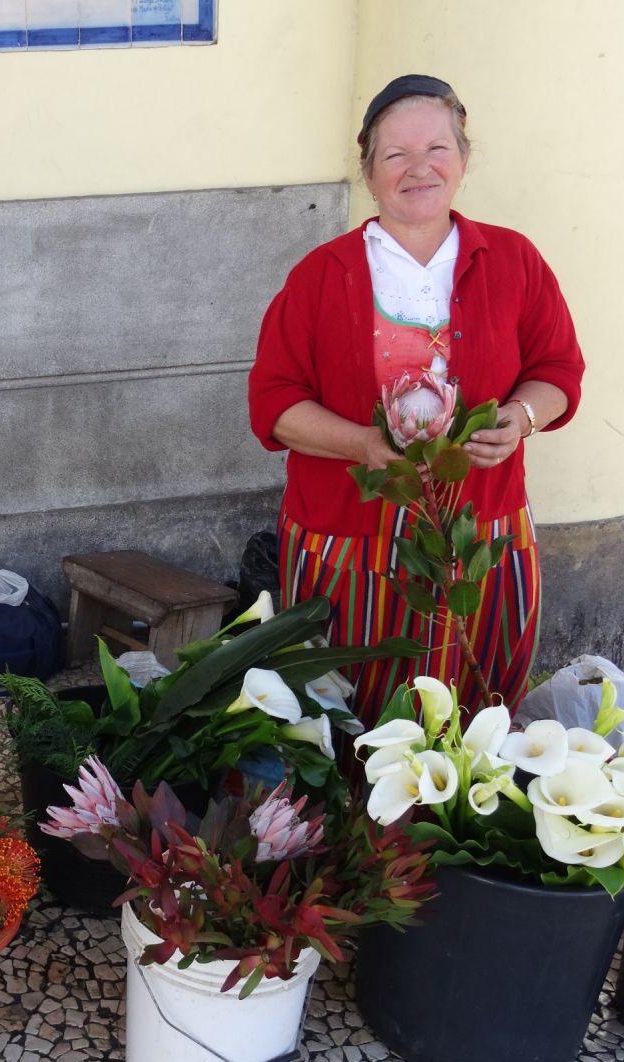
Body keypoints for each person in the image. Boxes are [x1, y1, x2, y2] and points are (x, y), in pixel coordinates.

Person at [248, 74, 584, 725]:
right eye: (395, 154)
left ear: (462, 158)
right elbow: (275, 403)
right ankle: (355, 826)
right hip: (346, 541)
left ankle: (458, 823)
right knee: (348, 718)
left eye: (437, 148)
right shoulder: (321, 276)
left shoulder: (514, 262)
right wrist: (364, 446)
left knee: (474, 716)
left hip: (480, 537)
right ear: (369, 171)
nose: (418, 168)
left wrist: (521, 418)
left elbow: (557, 371)